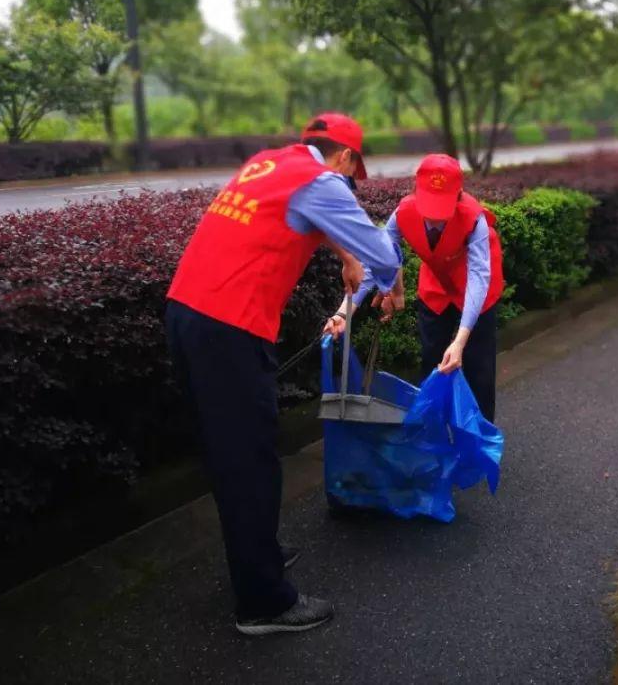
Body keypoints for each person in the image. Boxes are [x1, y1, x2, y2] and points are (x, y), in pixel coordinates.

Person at [166, 113, 402, 636]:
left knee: (231, 450)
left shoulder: (269, 162)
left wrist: (342, 253)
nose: (348, 183)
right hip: (226, 326)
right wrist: (388, 278)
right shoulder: (322, 182)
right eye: (352, 173)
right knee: (250, 459)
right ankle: (263, 602)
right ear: (343, 157)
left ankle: (261, 554)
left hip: (185, 311)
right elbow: (382, 253)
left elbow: (298, 218)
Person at [326, 154, 504, 422]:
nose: (433, 219)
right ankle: (433, 432)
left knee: (478, 368)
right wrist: (343, 313)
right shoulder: (404, 213)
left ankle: (478, 445)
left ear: (457, 197)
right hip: (435, 285)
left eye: (441, 209)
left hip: (476, 287)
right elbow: (378, 260)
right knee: (432, 359)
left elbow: (479, 278)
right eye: (428, 207)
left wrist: (460, 341)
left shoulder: (473, 219)